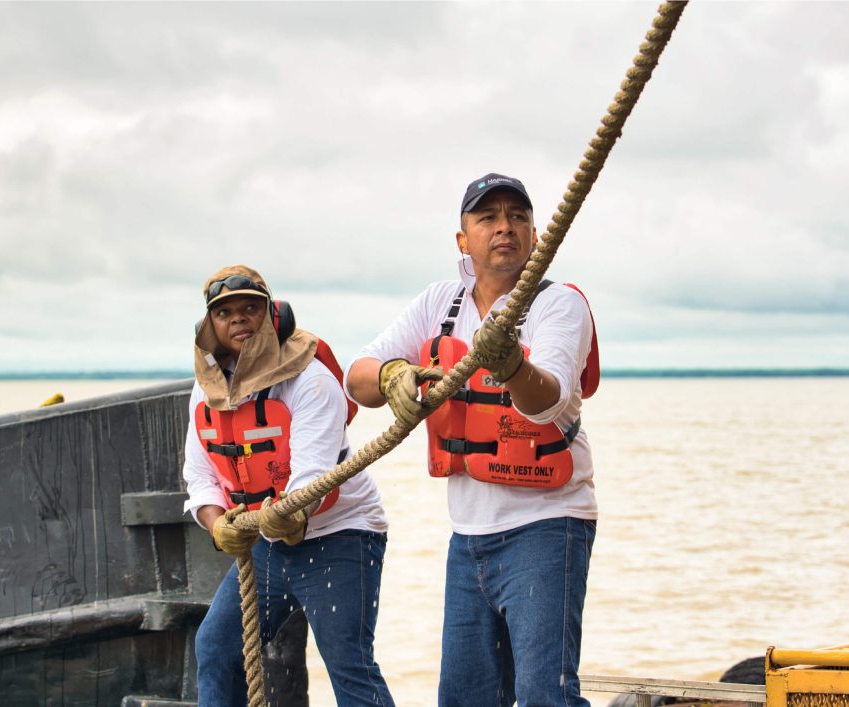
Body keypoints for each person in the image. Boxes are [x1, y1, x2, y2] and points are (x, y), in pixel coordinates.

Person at [345, 173, 598, 707]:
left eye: (518, 217)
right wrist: (394, 375)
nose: (504, 227)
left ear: (534, 234)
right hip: (467, 538)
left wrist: (510, 363)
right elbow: (356, 376)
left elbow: (546, 401)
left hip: (549, 526)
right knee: (463, 698)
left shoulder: (559, 306)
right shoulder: (439, 303)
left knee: (543, 696)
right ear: (463, 239)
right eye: (488, 217)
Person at [183, 264, 395, 707]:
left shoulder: (311, 380)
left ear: (273, 314)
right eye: (225, 313)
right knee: (216, 648)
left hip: (340, 533)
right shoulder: (206, 390)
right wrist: (217, 523)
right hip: (265, 542)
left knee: (348, 665)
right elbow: (199, 475)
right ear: (210, 327)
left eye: (249, 308)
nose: (238, 319)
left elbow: (311, 482)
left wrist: (287, 517)